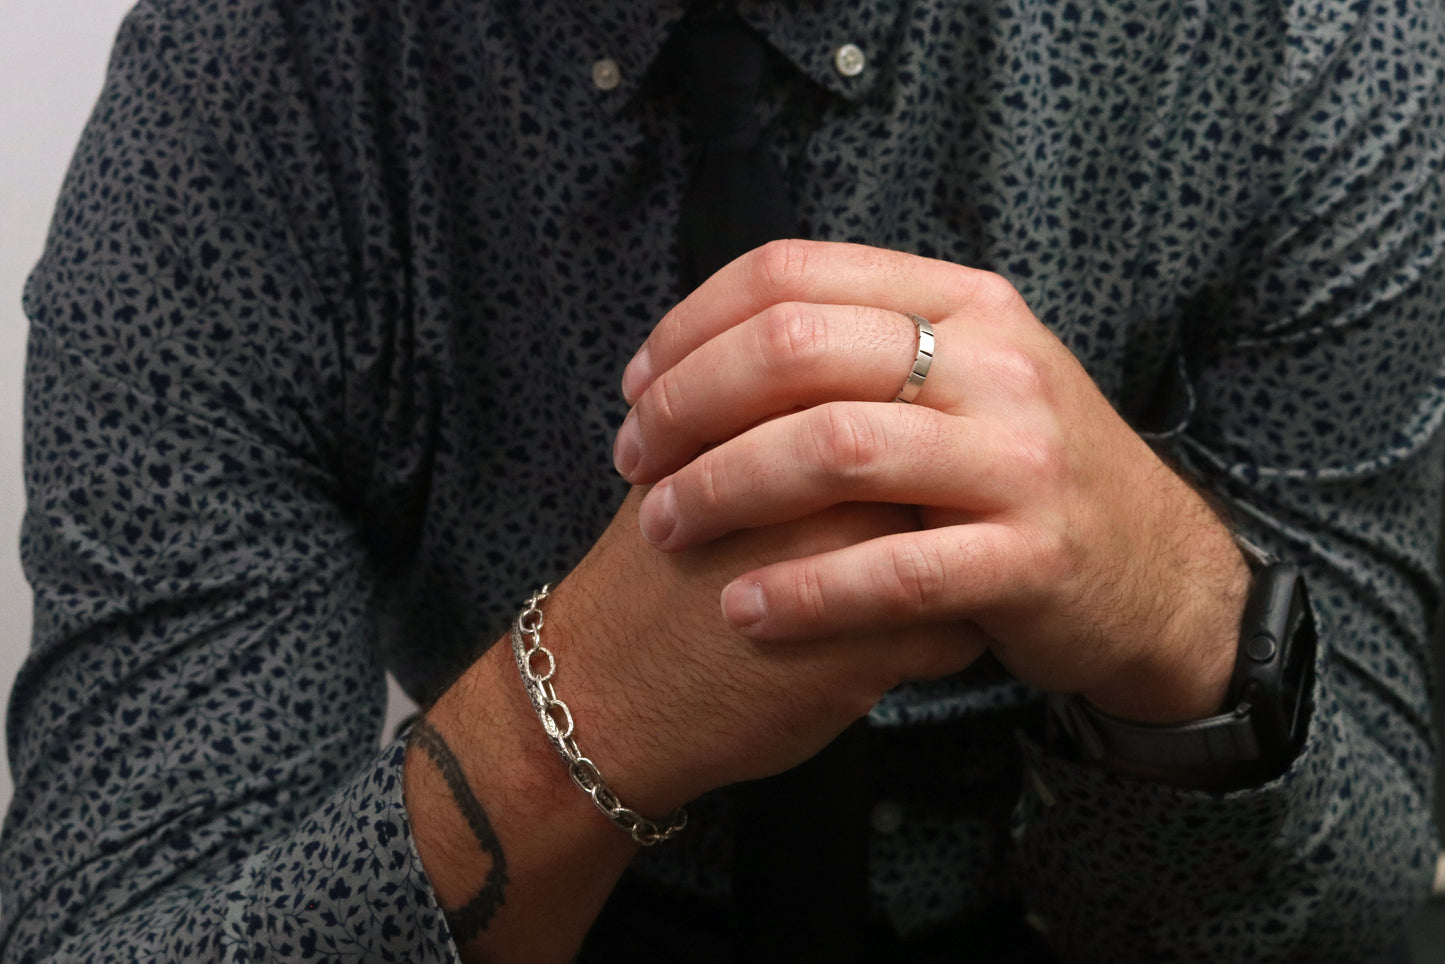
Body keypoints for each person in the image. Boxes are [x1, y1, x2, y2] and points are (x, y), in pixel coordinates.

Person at [2, 0, 1442, 960]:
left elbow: (1381, 902)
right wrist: (585, 714)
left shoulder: (1296, 36)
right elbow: (121, 923)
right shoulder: (249, 87)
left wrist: (1177, 622)